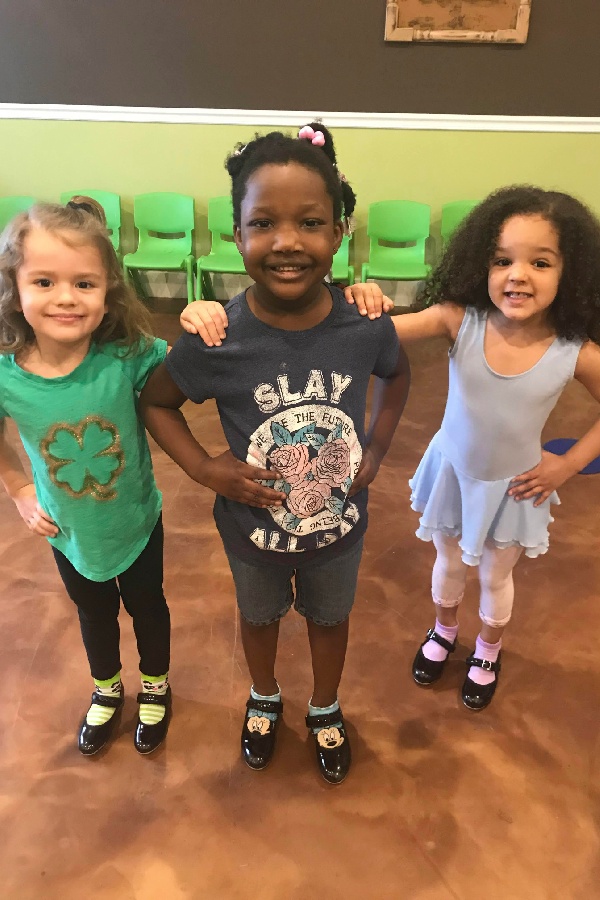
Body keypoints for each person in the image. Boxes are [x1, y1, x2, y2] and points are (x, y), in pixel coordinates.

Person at [187, 185, 600, 711]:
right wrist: (360, 299)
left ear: (573, 273)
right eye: (503, 260)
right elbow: (360, 334)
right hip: (453, 472)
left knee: (497, 574)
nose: (518, 274)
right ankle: (444, 630)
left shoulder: (575, 352)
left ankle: (488, 650)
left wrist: (568, 463)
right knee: (448, 563)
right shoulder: (459, 320)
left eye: (540, 262)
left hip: (515, 487)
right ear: (483, 264)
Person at [140, 129, 410, 783]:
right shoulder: (217, 338)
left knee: (330, 618)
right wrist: (205, 468)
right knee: (258, 618)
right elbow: (156, 402)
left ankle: (325, 705)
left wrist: (375, 447)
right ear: (237, 233)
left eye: (310, 222)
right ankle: (263, 696)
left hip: (339, 531)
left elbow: (397, 374)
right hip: (252, 532)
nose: (288, 241)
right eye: (264, 223)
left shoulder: (363, 322)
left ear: (340, 231)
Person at [0, 199, 172, 755]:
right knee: (93, 613)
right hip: (69, 532)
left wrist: (203, 319)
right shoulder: (6, 374)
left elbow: (189, 366)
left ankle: (155, 685)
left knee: (148, 607)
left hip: (137, 519)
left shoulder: (126, 354)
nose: (66, 298)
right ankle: (106, 688)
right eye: (45, 281)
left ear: (108, 293)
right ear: (15, 287)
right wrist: (20, 489)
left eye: (85, 283)